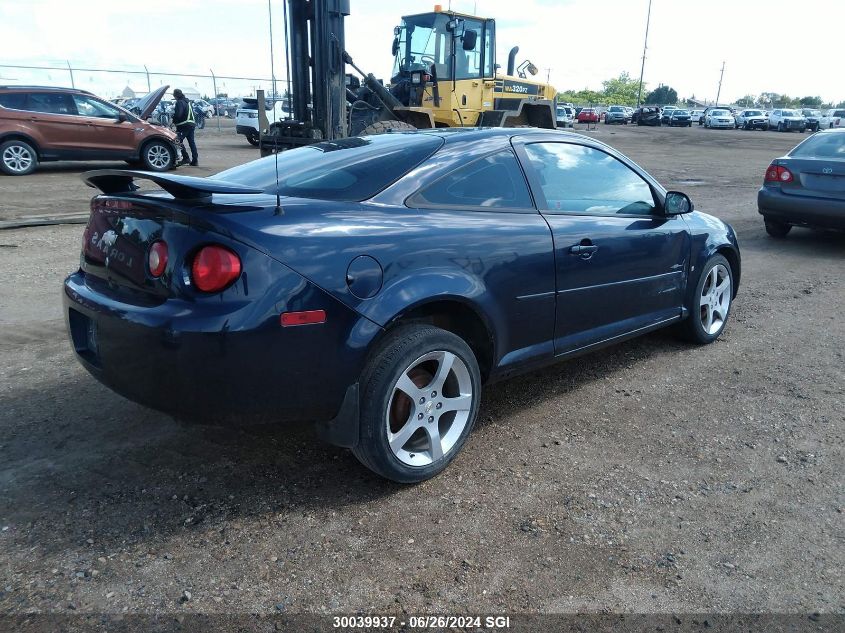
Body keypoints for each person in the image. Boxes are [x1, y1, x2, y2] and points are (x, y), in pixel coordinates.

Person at [172, 89, 197, 166]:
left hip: (183, 125)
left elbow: (178, 114)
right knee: (191, 142)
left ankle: (186, 158)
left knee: (177, 141)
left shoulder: (179, 102)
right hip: (191, 124)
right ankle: (195, 160)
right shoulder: (188, 102)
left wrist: (174, 119)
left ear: (176, 96)